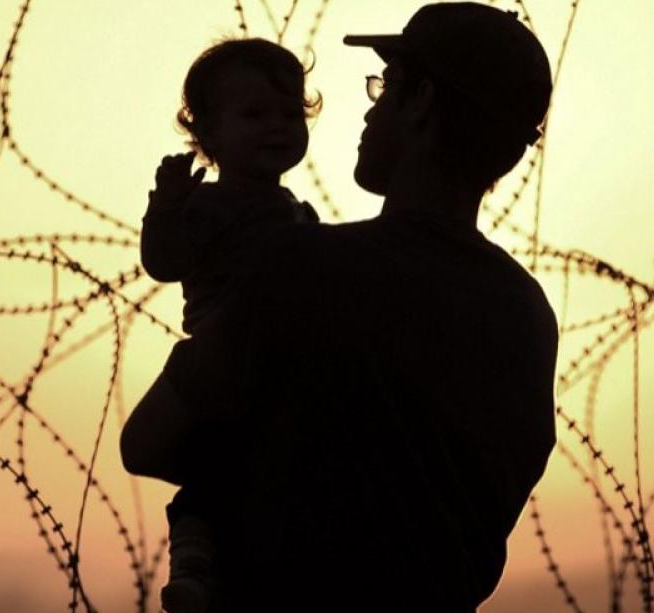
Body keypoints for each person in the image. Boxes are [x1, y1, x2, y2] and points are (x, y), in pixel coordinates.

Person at [121, 3, 558, 611]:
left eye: (386, 86)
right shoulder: (524, 314)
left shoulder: (299, 269)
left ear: (421, 101)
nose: (372, 106)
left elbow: (144, 444)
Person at [137, 37, 320, 613]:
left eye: (290, 113)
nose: (277, 127)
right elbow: (165, 263)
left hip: (281, 363)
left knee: (252, 465)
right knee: (215, 469)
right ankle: (193, 559)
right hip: (220, 359)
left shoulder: (298, 212)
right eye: (255, 114)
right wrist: (165, 209)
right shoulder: (210, 206)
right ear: (208, 135)